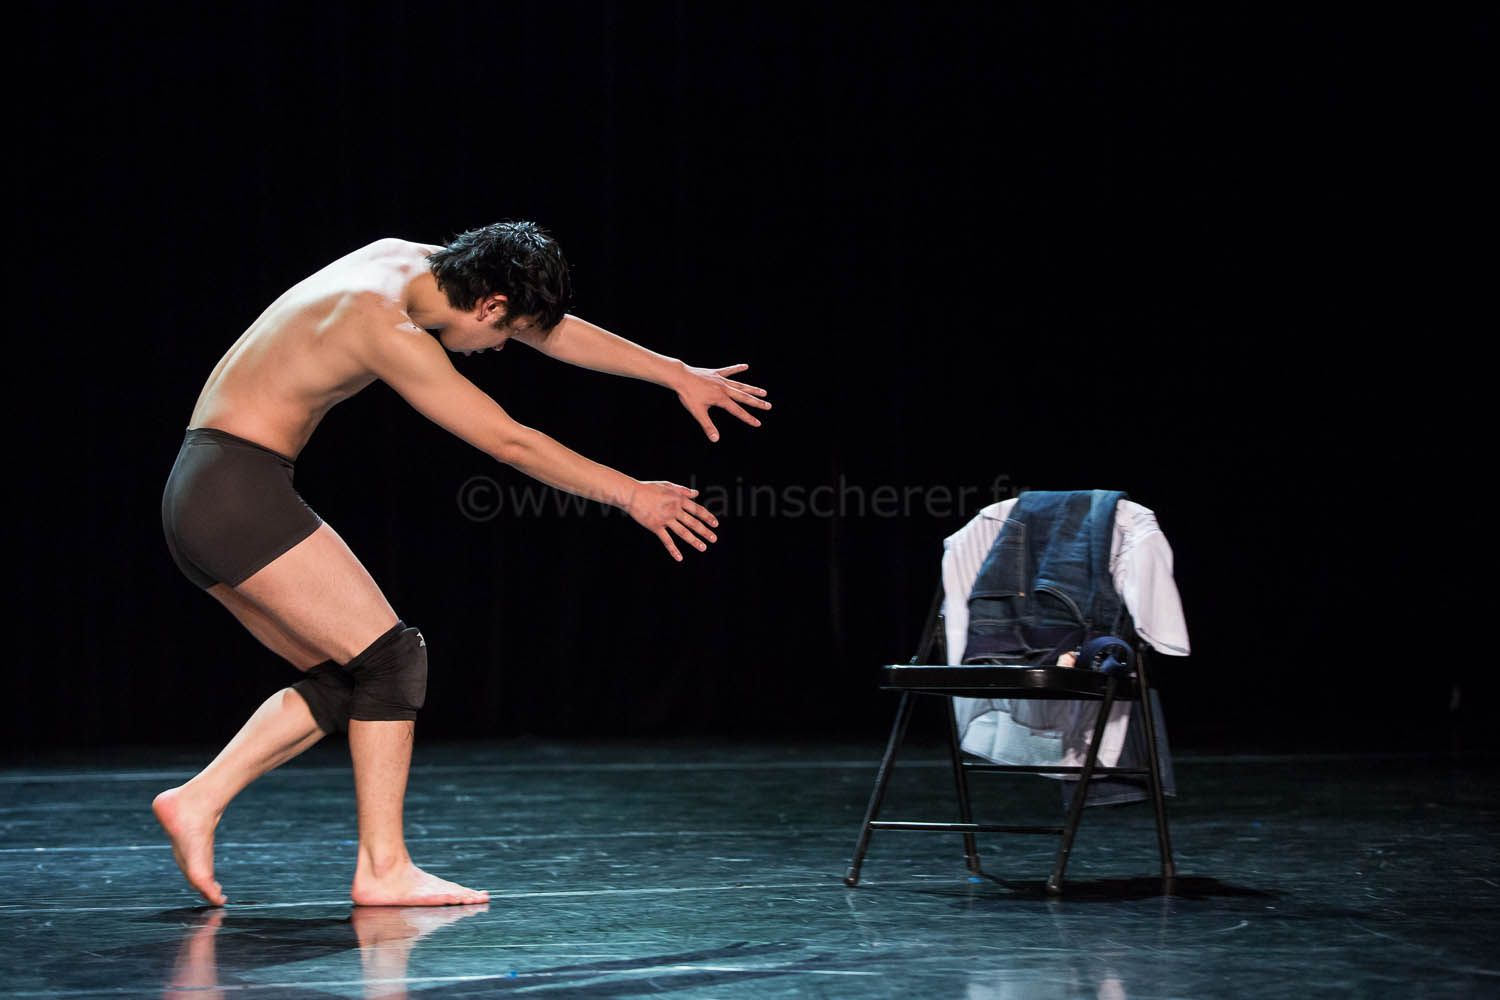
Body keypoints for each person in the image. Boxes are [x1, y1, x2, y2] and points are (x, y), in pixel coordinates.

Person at [155, 222, 770, 906]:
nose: (502, 348)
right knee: (394, 660)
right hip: (236, 493)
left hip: (207, 486)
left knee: (352, 674)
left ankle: (198, 801)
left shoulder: (412, 260)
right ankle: (383, 869)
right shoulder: (380, 322)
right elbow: (510, 441)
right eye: (506, 333)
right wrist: (630, 493)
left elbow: (550, 331)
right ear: (488, 304)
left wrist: (673, 372)